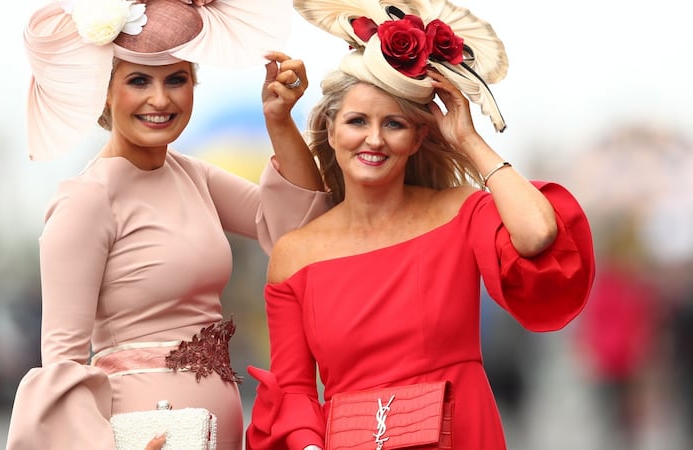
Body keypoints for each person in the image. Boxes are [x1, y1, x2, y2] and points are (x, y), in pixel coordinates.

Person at [244, 0, 596, 448]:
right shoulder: (293, 254)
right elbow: (292, 388)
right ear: (331, 133)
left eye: (394, 124)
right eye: (357, 121)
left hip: (464, 434)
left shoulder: (461, 212)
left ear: (418, 137)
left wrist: (468, 138)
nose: (374, 139)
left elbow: (538, 233)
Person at [5, 1, 330, 449]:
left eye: (176, 79)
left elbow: (299, 229)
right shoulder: (87, 199)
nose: (161, 99)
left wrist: (279, 121)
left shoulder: (194, 175)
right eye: (139, 80)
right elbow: (62, 360)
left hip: (222, 430)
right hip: (146, 436)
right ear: (105, 89)